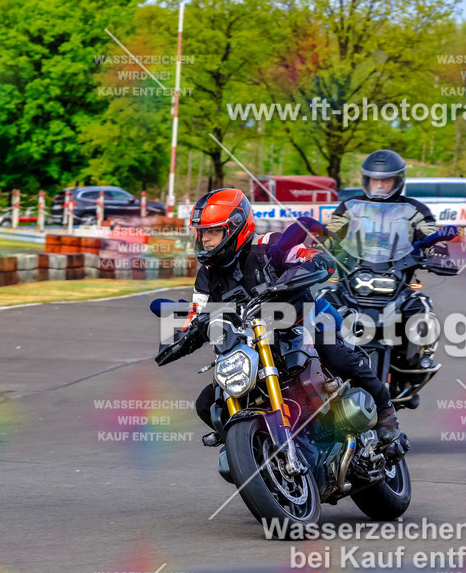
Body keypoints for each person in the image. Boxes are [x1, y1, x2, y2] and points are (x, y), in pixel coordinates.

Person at [156, 188, 401, 450]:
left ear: (236, 228)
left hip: (302, 324)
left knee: (333, 351)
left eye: (213, 231)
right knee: (208, 403)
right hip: (252, 347)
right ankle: (250, 447)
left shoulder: (269, 245)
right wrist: (181, 335)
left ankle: (385, 410)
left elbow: (308, 256)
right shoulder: (207, 274)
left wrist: (310, 265)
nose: (204, 239)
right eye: (201, 232)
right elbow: (196, 311)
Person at [324, 149, 456, 408]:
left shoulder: (415, 210)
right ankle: (311, 364)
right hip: (352, 278)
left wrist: (437, 253)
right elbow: (331, 234)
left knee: (421, 308)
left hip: (397, 281)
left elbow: (431, 237)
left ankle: (415, 363)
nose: (380, 185)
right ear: (366, 180)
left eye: (386, 180)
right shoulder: (349, 207)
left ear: (398, 181)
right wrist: (317, 249)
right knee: (319, 304)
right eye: (375, 180)